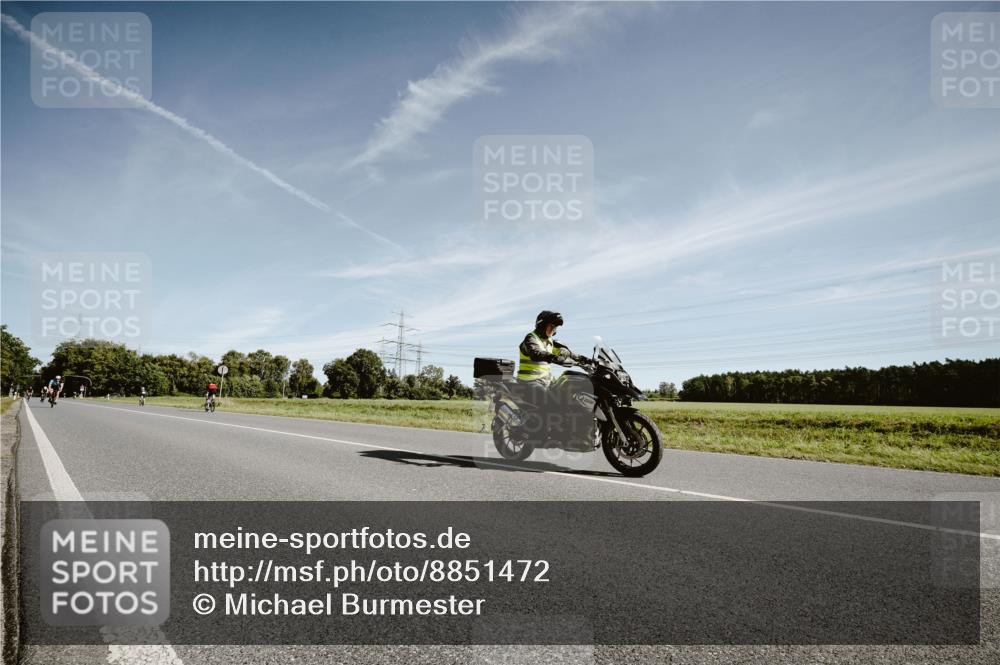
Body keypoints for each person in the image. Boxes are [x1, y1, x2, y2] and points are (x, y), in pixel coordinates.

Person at [517, 311, 587, 387]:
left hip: (546, 381)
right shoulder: (531, 339)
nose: (553, 330)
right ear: (542, 325)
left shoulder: (549, 341)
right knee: (547, 398)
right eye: (551, 326)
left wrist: (586, 360)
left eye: (555, 327)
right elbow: (536, 353)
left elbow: (566, 353)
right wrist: (556, 358)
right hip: (529, 381)